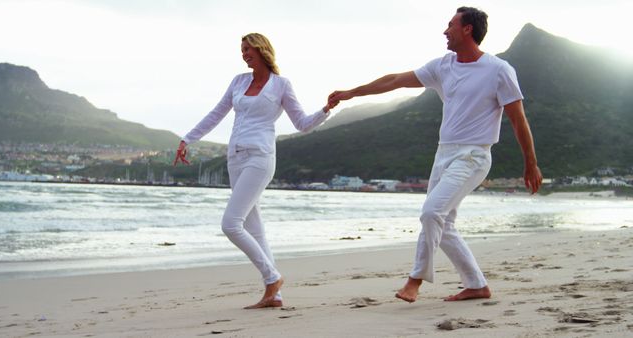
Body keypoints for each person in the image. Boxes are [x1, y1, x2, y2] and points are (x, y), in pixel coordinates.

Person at [328, 7, 542, 303]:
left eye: (451, 24)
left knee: (431, 213)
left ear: (467, 29)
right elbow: (395, 80)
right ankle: (477, 284)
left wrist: (530, 163)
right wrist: (353, 92)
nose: (445, 30)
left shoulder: (499, 70)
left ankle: (415, 279)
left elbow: (519, 119)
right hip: (444, 154)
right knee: (443, 222)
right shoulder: (444, 66)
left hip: (474, 155)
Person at [175, 33, 336, 309]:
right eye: (242, 49)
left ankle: (272, 277)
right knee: (254, 227)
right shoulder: (239, 81)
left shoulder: (281, 85)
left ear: (262, 50)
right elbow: (217, 113)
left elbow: (302, 123)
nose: (244, 53)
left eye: (248, 48)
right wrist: (187, 139)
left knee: (230, 224)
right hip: (235, 158)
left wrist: (325, 109)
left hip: (260, 157)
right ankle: (274, 295)